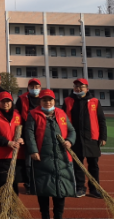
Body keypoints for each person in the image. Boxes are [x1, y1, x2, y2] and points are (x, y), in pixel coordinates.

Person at [25, 89, 76, 219]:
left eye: (50, 100)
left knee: (61, 190)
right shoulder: (33, 114)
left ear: (54, 101)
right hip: (42, 158)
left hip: (62, 158)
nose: (47, 102)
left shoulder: (61, 113)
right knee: (43, 190)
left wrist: (69, 141)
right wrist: (33, 150)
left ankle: (58, 215)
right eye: (44, 100)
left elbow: (72, 131)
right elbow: (29, 134)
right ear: (40, 101)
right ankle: (45, 215)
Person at [62, 78, 107, 199]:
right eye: (76, 86)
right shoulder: (67, 101)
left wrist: (103, 137)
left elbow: (101, 120)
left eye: (81, 86)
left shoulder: (95, 101)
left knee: (93, 165)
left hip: (92, 138)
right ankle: (80, 188)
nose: (78, 88)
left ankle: (95, 189)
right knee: (77, 165)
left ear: (87, 88)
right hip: (74, 139)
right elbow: (62, 120)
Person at [0, 91, 25, 195]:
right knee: (3, 183)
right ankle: (3, 208)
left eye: (8, 101)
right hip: (0, 156)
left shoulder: (17, 114)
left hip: (16, 155)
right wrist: (7, 142)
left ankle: (13, 208)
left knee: (14, 183)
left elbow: (25, 130)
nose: (5, 103)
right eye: (2, 101)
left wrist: (22, 138)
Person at [15, 78, 41, 193]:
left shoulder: (44, 99)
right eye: (32, 87)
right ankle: (30, 182)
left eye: (36, 87)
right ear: (28, 88)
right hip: (26, 134)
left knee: (41, 159)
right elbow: (17, 115)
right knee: (28, 161)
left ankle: (40, 182)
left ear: (40, 88)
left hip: (41, 133)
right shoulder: (21, 99)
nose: (34, 89)